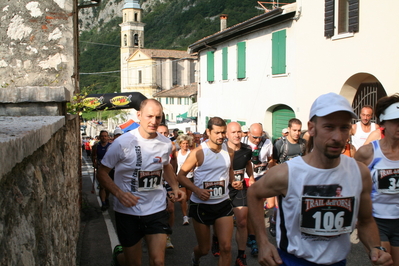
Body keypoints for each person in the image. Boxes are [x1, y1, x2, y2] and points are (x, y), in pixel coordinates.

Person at [248, 92, 393, 266]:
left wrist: (376, 248)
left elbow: (366, 221)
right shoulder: (287, 173)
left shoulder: (359, 173)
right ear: (311, 128)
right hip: (292, 261)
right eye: (329, 127)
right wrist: (263, 242)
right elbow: (254, 193)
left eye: (344, 128)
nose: (338, 137)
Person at [97, 99, 185, 266]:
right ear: (139, 115)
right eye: (149, 116)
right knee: (133, 263)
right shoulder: (122, 143)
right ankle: (119, 257)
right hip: (128, 211)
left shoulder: (166, 144)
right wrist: (118, 193)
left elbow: (165, 166)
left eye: (158, 117)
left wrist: (175, 187)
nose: (154, 121)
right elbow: (102, 173)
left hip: (156, 209)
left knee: (158, 262)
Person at [177, 117, 242, 266]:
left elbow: (229, 169)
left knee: (226, 247)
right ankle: (196, 257)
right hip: (201, 205)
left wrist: (233, 181)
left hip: (223, 202)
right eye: (217, 133)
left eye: (223, 132)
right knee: (204, 249)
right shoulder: (199, 152)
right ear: (208, 132)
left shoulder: (229, 151)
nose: (221, 136)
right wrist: (197, 190)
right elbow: (180, 176)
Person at [355, 93, 399, 266]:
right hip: (375, 220)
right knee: (384, 263)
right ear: (383, 124)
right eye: (395, 121)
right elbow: (351, 182)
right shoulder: (368, 152)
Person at [241, 123, 273, 256]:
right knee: (249, 210)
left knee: (264, 206)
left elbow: (272, 159)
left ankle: (254, 236)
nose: (258, 140)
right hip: (246, 178)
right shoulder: (242, 142)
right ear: (248, 133)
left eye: (260, 137)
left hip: (261, 177)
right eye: (255, 137)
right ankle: (253, 239)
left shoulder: (267, 143)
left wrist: (269, 168)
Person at [226, 122, 255, 266]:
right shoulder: (221, 150)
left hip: (240, 188)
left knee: (242, 221)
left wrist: (251, 177)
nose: (237, 135)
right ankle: (216, 238)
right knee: (222, 221)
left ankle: (241, 255)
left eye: (239, 131)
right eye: (233, 132)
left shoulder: (247, 149)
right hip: (223, 189)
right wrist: (229, 181)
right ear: (227, 134)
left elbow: (248, 163)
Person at [156, 123, 178, 249]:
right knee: (159, 209)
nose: (164, 135)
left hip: (168, 180)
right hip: (156, 181)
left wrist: (174, 178)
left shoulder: (171, 146)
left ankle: (168, 235)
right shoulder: (149, 146)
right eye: (161, 133)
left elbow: (172, 162)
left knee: (171, 209)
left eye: (166, 133)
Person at [174, 134, 194, 226]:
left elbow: (196, 164)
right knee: (183, 197)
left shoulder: (192, 153)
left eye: (187, 143)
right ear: (180, 144)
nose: (185, 145)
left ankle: (188, 211)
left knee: (189, 198)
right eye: (183, 143)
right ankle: (185, 217)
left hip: (190, 177)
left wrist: (193, 168)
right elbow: (174, 164)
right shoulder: (177, 154)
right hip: (181, 178)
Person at [91, 130, 112, 211]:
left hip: (110, 169)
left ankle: (106, 199)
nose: (104, 137)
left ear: (108, 137)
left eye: (105, 136)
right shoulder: (96, 146)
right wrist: (94, 163)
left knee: (108, 187)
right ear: (100, 137)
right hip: (101, 169)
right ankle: (103, 203)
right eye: (102, 136)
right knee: (102, 186)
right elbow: (93, 155)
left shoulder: (111, 146)